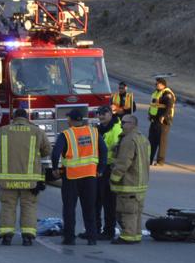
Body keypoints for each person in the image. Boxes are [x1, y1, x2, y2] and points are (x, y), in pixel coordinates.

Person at [0, 107, 51, 246]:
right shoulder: (37, 131)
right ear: (27, 118)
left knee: (8, 206)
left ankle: (7, 236)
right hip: (30, 180)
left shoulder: (2, 131)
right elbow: (46, 151)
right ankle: (27, 236)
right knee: (28, 206)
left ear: (13, 118)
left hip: (7, 179)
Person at [50, 107, 106, 245]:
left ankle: (69, 238)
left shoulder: (66, 135)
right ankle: (92, 238)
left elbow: (55, 153)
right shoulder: (93, 132)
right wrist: (101, 169)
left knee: (69, 208)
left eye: (68, 117)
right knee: (89, 208)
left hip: (71, 177)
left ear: (71, 120)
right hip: (90, 176)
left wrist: (55, 168)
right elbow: (104, 150)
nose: (67, 119)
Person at [110, 114, 150, 244]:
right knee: (136, 212)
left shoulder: (129, 140)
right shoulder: (142, 139)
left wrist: (114, 178)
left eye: (124, 122)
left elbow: (123, 162)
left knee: (127, 211)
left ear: (133, 124)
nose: (121, 125)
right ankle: (135, 235)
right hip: (141, 182)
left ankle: (127, 236)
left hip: (129, 183)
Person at [94, 105, 122, 241]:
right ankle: (95, 229)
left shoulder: (116, 129)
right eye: (99, 113)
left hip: (109, 168)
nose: (101, 116)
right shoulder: (99, 129)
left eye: (104, 113)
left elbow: (117, 149)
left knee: (109, 202)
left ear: (111, 114)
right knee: (97, 200)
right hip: (100, 168)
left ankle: (109, 231)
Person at [147, 76, 175, 166]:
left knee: (161, 141)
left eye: (157, 84)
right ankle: (149, 159)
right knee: (151, 140)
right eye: (155, 83)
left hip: (163, 121)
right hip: (154, 120)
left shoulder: (167, 93)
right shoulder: (156, 93)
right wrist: (149, 114)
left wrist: (163, 116)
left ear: (162, 85)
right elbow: (153, 105)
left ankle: (160, 161)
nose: (155, 85)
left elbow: (169, 106)